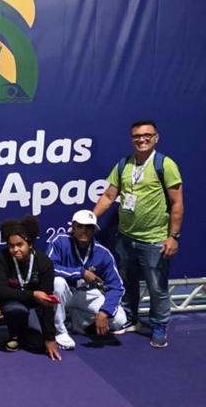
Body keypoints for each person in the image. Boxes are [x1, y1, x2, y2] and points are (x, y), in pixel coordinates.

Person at [93, 120, 183, 348]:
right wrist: (91, 218)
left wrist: (173, 236)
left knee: (157, 287)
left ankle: (159, 325)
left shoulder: (165, 165)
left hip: (154, 240)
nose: (141, 139)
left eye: (147, 135)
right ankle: (130, 318)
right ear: (131, 139)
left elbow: (177, 203)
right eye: (136, 136)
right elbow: (108, 196)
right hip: (125, 238)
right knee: (126, 281)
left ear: (156, 138)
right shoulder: (123, 165)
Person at [47, 210, 127, 350]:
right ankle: (60, 331)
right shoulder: (59, 241)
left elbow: (117, 287)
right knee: (57, 282)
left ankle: (78, 322)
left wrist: (104, 312)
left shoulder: (103, 254)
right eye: (80, 226)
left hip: (86, 293)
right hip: (66, 292)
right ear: (73, 227)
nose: (84, 231)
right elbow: (50, 268)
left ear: (94, 230)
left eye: (89, 227)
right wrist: (81, 273)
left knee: (120, 320)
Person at [0, 216, 61, 361]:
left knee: (37, 345)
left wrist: (50, 338)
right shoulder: (3, 258)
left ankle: (29, 330)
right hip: (14, 302)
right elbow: (1, 290)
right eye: (11, 246)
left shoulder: (44, 262)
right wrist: (32, 294)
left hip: (36, 306)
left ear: (29, 244)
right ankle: (14, 335)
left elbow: (47, 302)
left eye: (19, 245)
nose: (15, 250)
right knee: (14, 309)